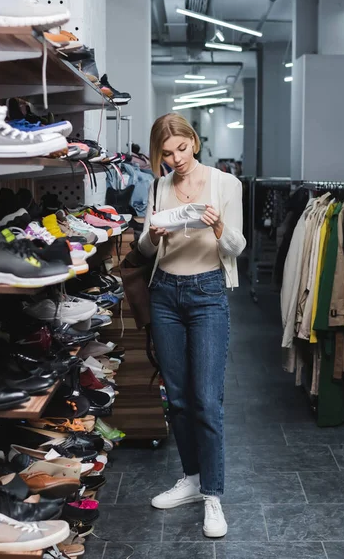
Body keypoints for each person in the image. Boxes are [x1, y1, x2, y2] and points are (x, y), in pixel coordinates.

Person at [138, 113, 246, 538]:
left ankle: (213, 496)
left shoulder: (226, 184)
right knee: (178, 398)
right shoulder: (158, 186)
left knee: (206, 400)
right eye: (166, 153)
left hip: (207, 294)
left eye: (181, 148)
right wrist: (154, 235)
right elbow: (147, 248)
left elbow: (238, 245)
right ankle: (192, 478)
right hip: (165, 294)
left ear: (194, 142)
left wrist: (219, 226)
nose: (176, 159)